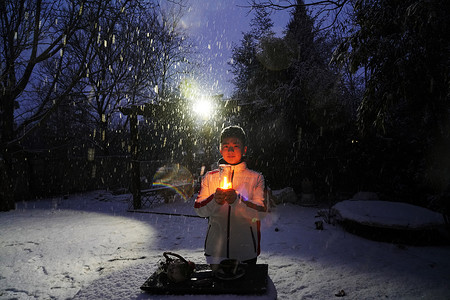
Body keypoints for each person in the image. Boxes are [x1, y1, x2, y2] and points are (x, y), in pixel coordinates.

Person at [194, 126, 267, 265]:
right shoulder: (210, 177)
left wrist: (238, 201)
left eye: (236, 145)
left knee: (244, 286)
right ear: (220, 149)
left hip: (245, 252)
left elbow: (261, 213)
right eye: (226, 146)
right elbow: (199, 209)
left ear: (244, 149)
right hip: (215, 251)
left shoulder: (255, 178)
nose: (230, 150)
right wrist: (214, 200)